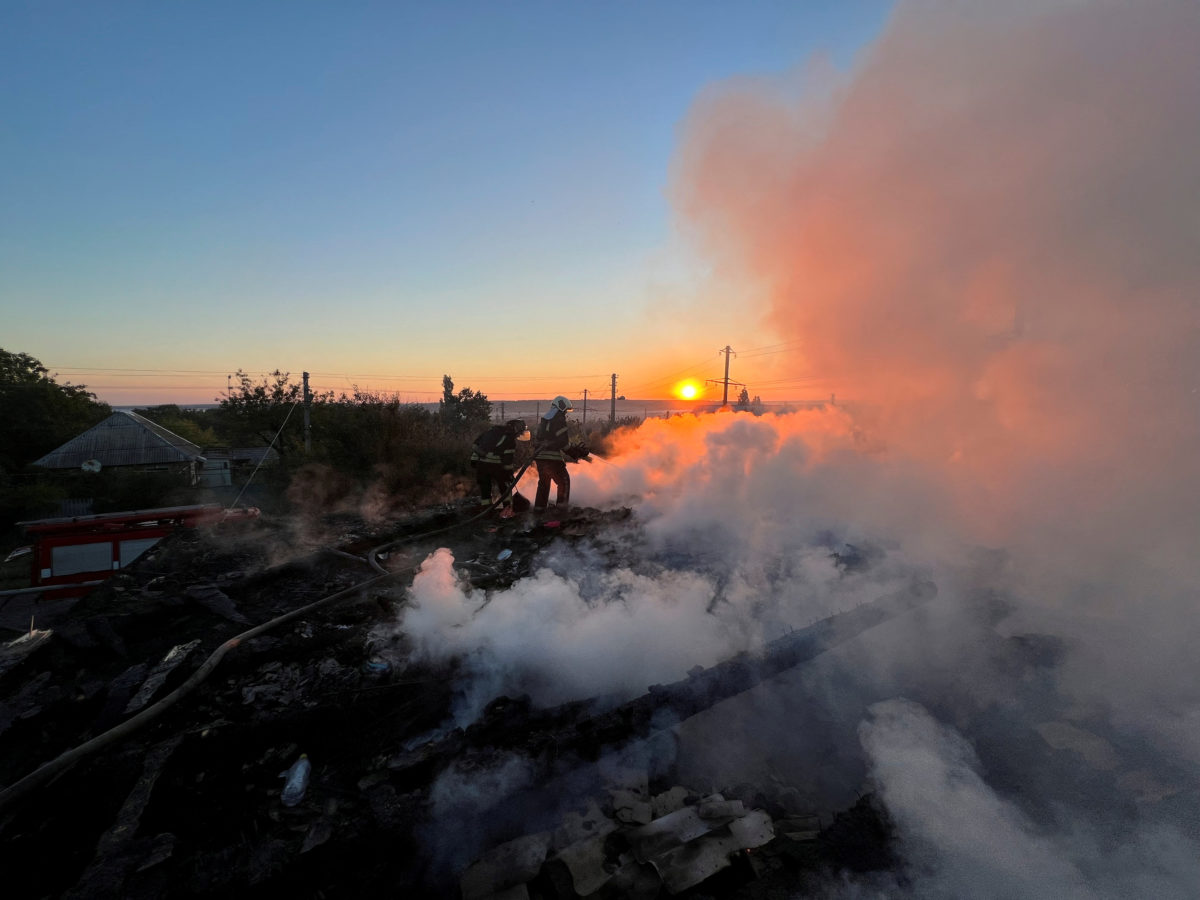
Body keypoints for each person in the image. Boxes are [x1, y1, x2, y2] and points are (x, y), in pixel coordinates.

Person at [470, 419, 529, 516]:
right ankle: (507, 510)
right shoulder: (509, 439)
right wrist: (509, 475)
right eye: (519, 433)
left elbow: (475, 444)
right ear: (516, 429)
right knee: (505, 487)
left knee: (485, 489)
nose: (519, 435)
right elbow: (507, 462)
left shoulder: (491, 431)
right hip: (495, 466)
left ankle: (487, 512)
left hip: (480, 465)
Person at [534, 396, 573, 511]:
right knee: (564, 481)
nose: (566, 412)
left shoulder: (545, 420)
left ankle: (539, 510)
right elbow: (563, 442)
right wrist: (574, 452)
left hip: (540, 458)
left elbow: (547, 439)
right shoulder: (559, 419)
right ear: (561, 407)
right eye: (565, 410)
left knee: (544, 484)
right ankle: (561, 510)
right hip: (552, 459)